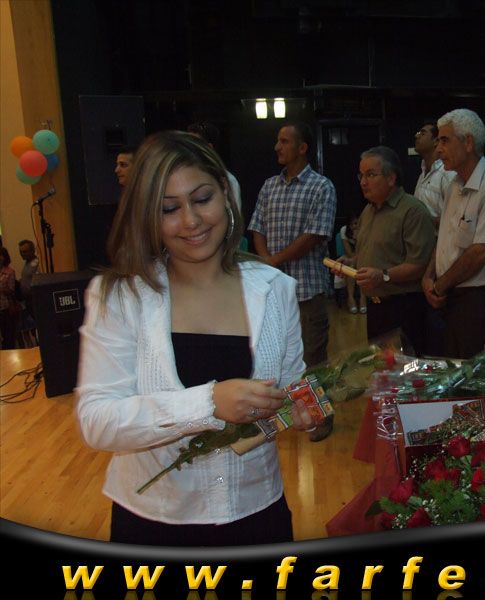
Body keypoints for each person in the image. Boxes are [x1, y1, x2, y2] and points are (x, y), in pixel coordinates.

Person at [76, 131, 317, 546]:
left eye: (202, 199)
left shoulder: (274, 289)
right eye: (169, 208)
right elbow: (97, 421)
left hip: (257, 513)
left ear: (225, 193)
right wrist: (207, 404)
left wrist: (302, 409)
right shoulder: (120, 296)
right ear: (147, 216)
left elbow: (290, 387)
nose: (190, 221)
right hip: (153, 523)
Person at [248, 122, 337, 441]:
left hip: (307, 289)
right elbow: (257, 227)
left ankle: (320, 419)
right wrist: (266, 261)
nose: (277, 147)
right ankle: (282, 417)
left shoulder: (321, 186)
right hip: (272, 292)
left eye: (284, 141)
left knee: (313, 359)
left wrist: (273, 262)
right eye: (277, 141)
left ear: (302, 148)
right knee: (273, 357)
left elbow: (315, 235)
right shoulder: (269, 186)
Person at [422, 108, 485, 358]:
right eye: (437, 141)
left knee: (472, 374)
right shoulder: (454, 184)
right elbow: (444, 238)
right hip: (449, 295)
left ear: (468, 143)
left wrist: (439, 286)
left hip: (477, 302)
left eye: (445, 140)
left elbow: (481, 253)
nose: (438, 149)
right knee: (451, 368)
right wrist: (428, 276)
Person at [343, 146, 435, 354]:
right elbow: (370, 253)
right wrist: (351, 263)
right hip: (375, 307)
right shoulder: (369, 210)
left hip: (403, 308)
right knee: (382, 369)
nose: (363, 182)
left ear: (391, 178)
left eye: (370, 175)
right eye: (361, 175)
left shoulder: (412, 211)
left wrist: (382, 276)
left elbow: (419, 265)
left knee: (407, 370)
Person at [187, 121, 243, 211]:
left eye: (194, 144)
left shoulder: (229, 181)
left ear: (209, 148)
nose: (187, 149)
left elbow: (234, 216)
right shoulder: (182, 178)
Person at [413, 120, 454, 225]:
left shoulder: (447, 174)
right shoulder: (422, 174)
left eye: (422, 133)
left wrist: (425, 220)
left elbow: (456, 217)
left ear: (436, 141)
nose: (416, 136)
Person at [340, 214, 366, 314]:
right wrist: (354, 260)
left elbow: (364, 250)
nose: (355, 226)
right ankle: (351, 299)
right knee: (350, 267)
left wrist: (358, 237)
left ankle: (363, 298)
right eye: (353, 224)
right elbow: (349, 252)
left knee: (362, 265)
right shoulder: (344, 230)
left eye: (357, 223)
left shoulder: (365, 229)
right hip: (350, 256)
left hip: (364, 256)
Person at [0, 246, 18, 349]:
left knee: (8, 336)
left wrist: (2, 288)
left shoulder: (10, 271)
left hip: (6, 307)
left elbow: (11, 290)